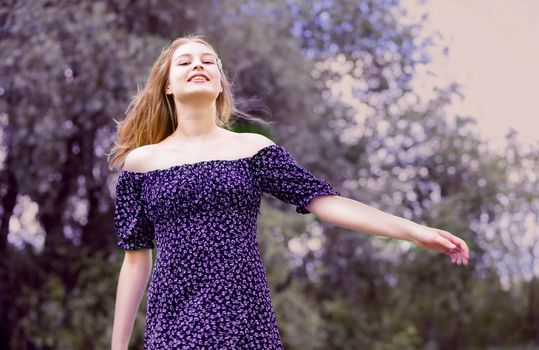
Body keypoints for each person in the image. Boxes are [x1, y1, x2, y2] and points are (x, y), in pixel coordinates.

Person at [107, 34, 469, 349]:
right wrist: (118, 346)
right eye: (184, 62)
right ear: (168, 85)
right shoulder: (141, 163)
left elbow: (326, 202)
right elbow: (136, 260)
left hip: (243, 318)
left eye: (208, 61)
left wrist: (415, 232)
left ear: (219, 84)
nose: (197, 65)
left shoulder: (251, 150)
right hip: (173, 320)